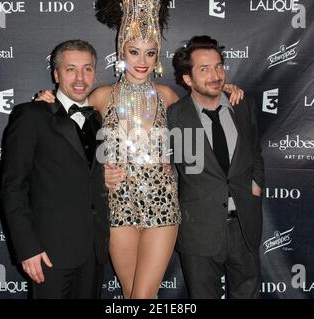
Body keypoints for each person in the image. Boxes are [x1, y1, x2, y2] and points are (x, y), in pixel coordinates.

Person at [36, 1, 244, 299]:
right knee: (133, 292)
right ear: (122, 53)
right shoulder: (102, 96)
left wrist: (223, 87)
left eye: (150, 53)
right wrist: (50, 101)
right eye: (134, 52)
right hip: (117, 207)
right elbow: (69, 134)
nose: (142, 61)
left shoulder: (167, 96)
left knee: (143, 296)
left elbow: (201, 109)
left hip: (163, 207)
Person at [0, 39, 110, 299]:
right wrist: (27, 248)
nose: (80, 78)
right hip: (49, 252)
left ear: (95, 72)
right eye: (71, 69)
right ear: (56, 73)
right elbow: (13, 186)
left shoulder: (96, 119)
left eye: (87, 69)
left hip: (93, 249)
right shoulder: (31, 115)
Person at [167, 35, 265, 299]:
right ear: (187, 79)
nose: (215, 75)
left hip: (244, 226)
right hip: (198, 229)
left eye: (219, 66)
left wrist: (256, 186)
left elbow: (255, 152)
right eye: (204, 69)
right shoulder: (174, 116)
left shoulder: (243, 105)